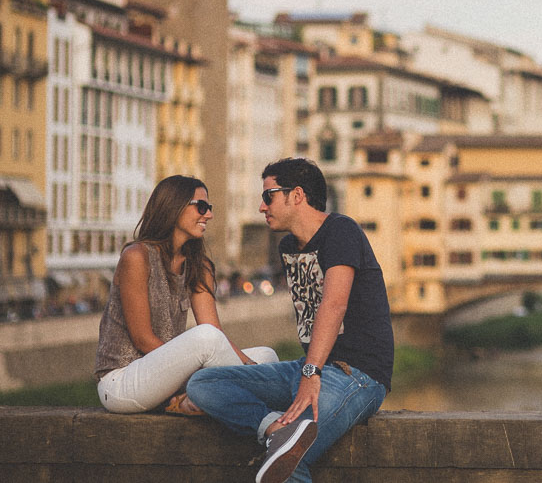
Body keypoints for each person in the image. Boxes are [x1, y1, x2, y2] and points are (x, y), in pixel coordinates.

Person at [187, 158, 394, 483]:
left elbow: (334, 304)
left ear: (296, 195)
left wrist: (312, 374)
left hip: (359, 376)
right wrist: (307, 373)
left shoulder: (341, 230)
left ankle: (285, 442)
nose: (261, 206)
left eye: (268, 196)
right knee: (203, 383)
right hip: (309, 369)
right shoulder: (288, 246)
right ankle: (274, 429)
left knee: (288, 460)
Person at [94, 175, 278, 414]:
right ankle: (261, 414)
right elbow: (142, 338)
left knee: (266, 356)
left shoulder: (199, 266)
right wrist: (193, 371)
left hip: (169, 374)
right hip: (123, 381)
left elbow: (216, 333)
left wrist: (252, 367)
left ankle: (195, 399)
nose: (209, 215)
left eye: (209, 208)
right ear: (174, 206)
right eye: (201, 207)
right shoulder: (137, 257)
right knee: (206, 339)